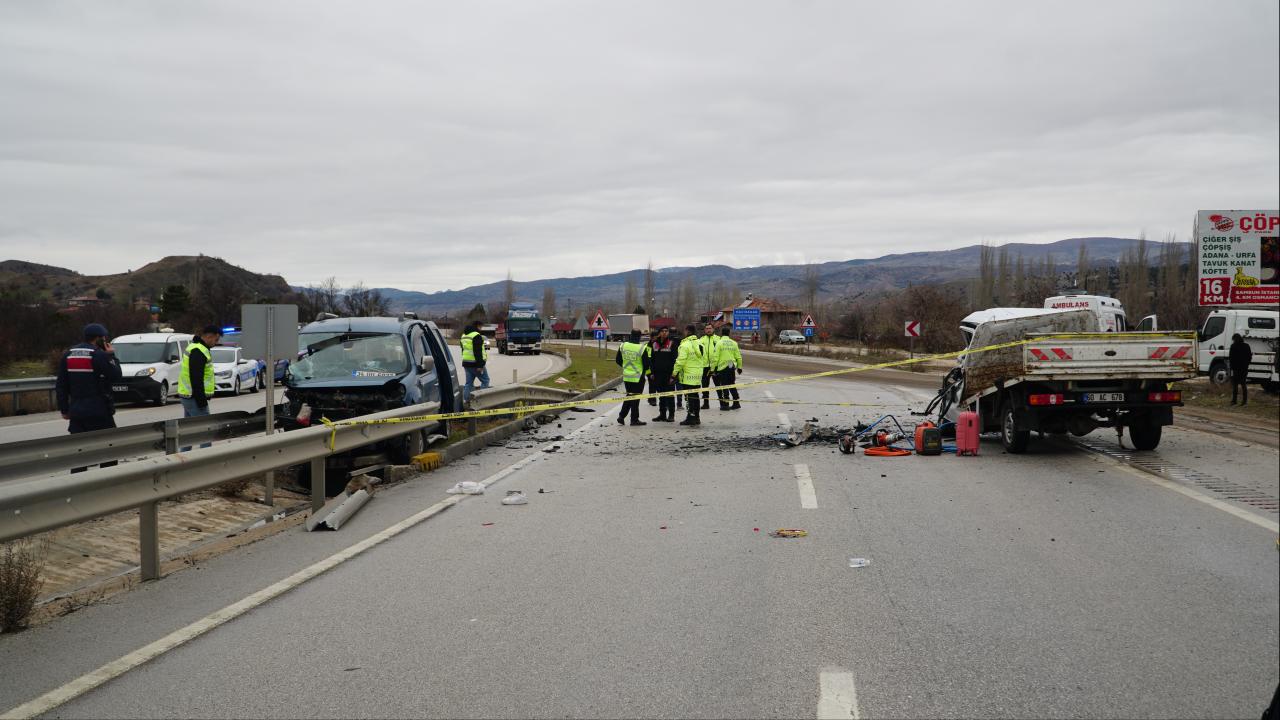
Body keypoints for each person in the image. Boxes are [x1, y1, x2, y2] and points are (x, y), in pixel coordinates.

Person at [56, 323, 122, 434]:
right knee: (109, 444)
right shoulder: (98, 355)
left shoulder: (68, 354)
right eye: (104, 338)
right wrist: (111, 356)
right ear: (98, 338)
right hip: (99, 411)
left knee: (80, 447)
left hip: (76, 412)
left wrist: (64, 409)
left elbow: (61, 385)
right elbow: (116, 376)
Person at [672, 323, 708, 426]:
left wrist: (674, 374)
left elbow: (680, 361)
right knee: (695, 396)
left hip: (687, 376)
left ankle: (690, 417)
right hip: (697, 375)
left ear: (687, 331)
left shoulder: (684, 345)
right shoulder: (701, 344)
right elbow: (704, 359)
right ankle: (696, 417)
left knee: (688, 397)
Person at [615, 329, 652, 426]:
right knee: (635, 398)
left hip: (627, 376)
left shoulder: (623, 345)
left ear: (630, 335)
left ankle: (621, 416)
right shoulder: (641, 348)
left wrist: (626, 367)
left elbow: (618, 360)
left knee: (630, 396)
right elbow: (647, 364)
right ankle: (634, 419)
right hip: (638, 377)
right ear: (639, 337)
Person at [648, 326, 678, 422]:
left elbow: (675, 360)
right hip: (658, 374)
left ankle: (671, 415)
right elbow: (652, 360)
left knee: (670, 395)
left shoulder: (672, 344)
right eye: (663, 331)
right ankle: (662, 414)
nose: (665, 333)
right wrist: (652, 373)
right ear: (659, 333)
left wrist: (673, 375)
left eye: (666, 331)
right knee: (661, 395)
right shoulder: (654, 344)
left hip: (669, 375)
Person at [712, 325, 743, 410]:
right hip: (731, 365)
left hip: (722, 366)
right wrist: (739, 367)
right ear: (729, 333)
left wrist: (712, 369)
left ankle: (725, 404)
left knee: (724, 385)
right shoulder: (734, 343)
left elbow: (715, 358)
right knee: (732, 384)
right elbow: (738, 357)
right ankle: (736, 403)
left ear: (721, 334)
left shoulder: (719, 343)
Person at [460, 323, 490, 403]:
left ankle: (466, 401)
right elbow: (478, 352)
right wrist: (480, 365)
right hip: (475, 363)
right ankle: (480, 400)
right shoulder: (476, 336)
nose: (481, 328)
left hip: (466, 363)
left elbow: (463, 350)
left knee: (469, 383)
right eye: (480, 327)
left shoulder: (464, 336)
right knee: (485, 380)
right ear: (476, 328)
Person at [698, 323, 720, 410]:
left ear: (713, 329)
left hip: (715, 367)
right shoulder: (701, 340)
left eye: (710, 328)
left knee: (719, 385)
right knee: (704, 386)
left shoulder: (718, 339)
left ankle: (723, 403)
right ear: (704, 330)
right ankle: (706, 403)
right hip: (705, 366)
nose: (708, 330)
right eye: (707, 328)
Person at [1229, 333, 1253, 406]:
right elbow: (1249, 357)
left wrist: (1232, 367)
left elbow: (1231, 358)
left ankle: (1234, 401)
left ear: (1234, 339)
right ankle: (1244, 401)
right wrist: (1246, 364)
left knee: (1235, 385)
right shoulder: (1246, 346)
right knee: (1243, 384)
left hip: (1236, 369)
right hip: (1244, 369)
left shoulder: (1233, 346)